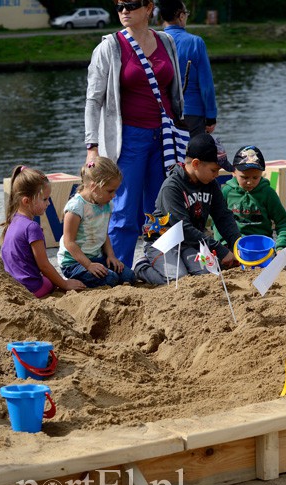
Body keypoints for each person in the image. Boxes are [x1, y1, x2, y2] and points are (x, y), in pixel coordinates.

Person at [85, 0, 184, 267]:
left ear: (149, 7)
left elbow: (173, 90)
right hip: (128, 139)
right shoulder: (110, 46)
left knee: (159, 209)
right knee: (124, 211)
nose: (124, 10)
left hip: (163, 137)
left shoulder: (166, 41)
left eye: (131, 4)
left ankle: (158, 266)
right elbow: (93, 100)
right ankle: (120, 270)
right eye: (118, 6)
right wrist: (92, 146)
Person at [134, 133, 241, 285]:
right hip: (163, 241)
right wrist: (220, 249)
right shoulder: (172, 187)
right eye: (214, 170)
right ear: (196, 164)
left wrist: (236, 242)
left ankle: (185, 263)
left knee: (205, 276)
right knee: (179, 280)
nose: (217, 175)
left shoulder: (211, 185)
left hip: (190, 242)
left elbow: (223, 216)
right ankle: (142, 267)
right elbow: (182, 228)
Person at [0, 166, 85, 297]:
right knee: (50, 282)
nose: (48, 203)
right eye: (45, 199)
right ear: (26, 201)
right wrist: (64, 283)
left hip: (14, 286)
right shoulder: (32, 227)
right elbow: (44, 266)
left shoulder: (12, 221)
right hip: (31, 289)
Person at [58, 157, 136, 288]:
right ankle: (76, 278)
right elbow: (69, 242)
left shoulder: (107, 204)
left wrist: (111, 256)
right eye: (110, 191)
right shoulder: (75, 207)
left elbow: (103, 234)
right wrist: (88, 265)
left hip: (97, 257)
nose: (114, 195)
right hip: (74, 262)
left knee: (130, 277)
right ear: (94, 187)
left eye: (115, 191)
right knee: (111, 279)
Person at [213, 145, 286, 252]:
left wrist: (281, 245)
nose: (250, 182)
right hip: (234, 245)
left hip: (263, 247)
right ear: (233, 172)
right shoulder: (227, 192)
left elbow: (283, 223)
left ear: (262, 174)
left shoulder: (268, 193)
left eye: (255, 177)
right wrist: (223, 244)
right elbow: (217, 222)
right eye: (244, 177)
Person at [162, 0, 219, 138]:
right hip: (192, 112)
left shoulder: (154, 41)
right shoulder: (195, 42)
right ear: (181, 16)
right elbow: (206, 85)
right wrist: (211, 116)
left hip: (163, 113)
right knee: (194, 155)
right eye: (186, 13)